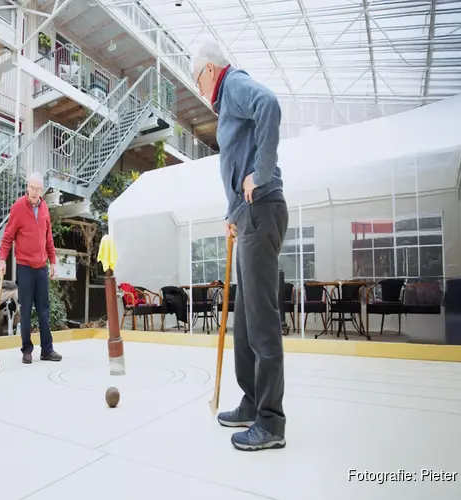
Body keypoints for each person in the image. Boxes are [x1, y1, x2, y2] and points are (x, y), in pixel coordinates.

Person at [193, 41, 289, 452]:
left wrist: (259, 175)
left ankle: (270, 421)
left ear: (211, 70)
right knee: (246, 322)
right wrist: (232, 212)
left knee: (262, 319)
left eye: (197, 79)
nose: (198, 89)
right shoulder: (226, 97)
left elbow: (270, 105)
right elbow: (237, 161)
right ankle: (251, 402)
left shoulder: (233, 84)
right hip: (248, 214)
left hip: (263, 207)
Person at [0, 171, 62, 364]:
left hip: (41, 268)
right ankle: (27, 350)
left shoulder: (44, 209)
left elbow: (48, 237)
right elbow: (8, 236)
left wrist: (52, 260)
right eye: (32, 188)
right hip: (25, 267)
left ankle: (47, 350)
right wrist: (2, 259)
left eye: (39, 189)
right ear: (27, 187)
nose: (35, 192)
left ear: (42, 190)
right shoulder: (18, 207)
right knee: (25, 310)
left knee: (44, 309)